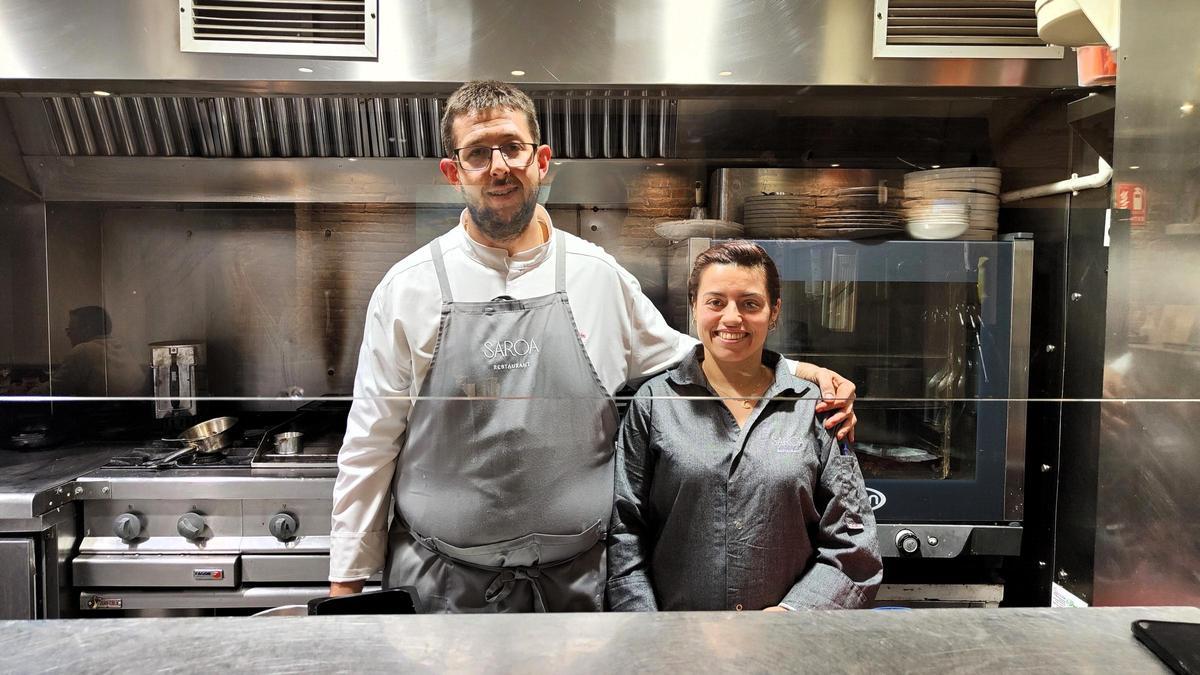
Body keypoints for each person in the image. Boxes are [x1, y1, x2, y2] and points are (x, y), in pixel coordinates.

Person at [328, 81, 859, 612]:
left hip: (579, 591)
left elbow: (691, 357)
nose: (498, 167)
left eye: (512, 148)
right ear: (453, 171)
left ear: (541, 161)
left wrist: (798, 374)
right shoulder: (409, 287)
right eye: (477, 153)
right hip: (442, 589)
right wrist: (345, 587)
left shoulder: (596, 275)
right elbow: (372, 441)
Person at [606, 241, 882, 611]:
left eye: (750, 304)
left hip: (787, 640)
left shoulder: (816, 407)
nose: (732, 318)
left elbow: (854, 546)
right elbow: (624, 535)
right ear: (694, 307)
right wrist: (651, 628)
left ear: (774, 311)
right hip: (677, 638)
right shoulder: (654, 404)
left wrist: (791, 616)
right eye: (716, 302)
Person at [28, 306, 147, 397]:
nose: (68, 334)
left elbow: (52, 391)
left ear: (87, 329)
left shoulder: (83, 351)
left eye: (71, 329)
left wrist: (25, 392)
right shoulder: (122, 347)